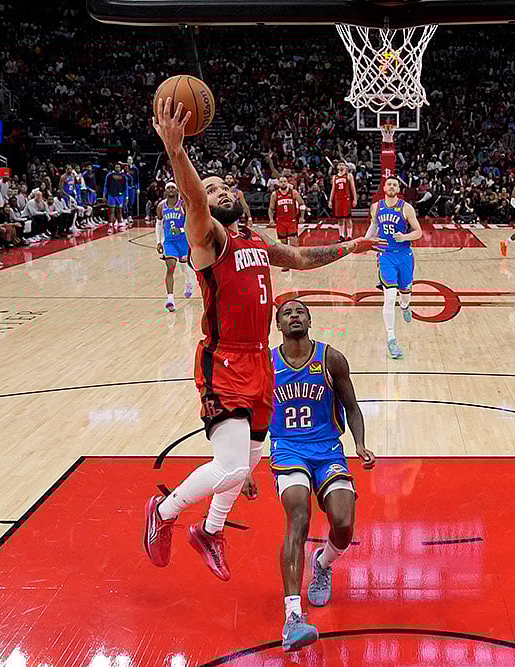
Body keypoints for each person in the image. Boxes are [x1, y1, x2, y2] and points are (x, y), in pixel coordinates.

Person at [142, 97, 383, 581]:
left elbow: (300, 259)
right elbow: (192, 199)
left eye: (226, 185)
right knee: (231, 469)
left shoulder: (253, 239)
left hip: (259, 364)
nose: (221, 190)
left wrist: (350, 246)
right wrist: (176, 151)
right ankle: (163, 512)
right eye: (211, 189)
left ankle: (210, 530)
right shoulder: (208, 238)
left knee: (250, 460)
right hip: (224, 363)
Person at [260, 299, 375, 652]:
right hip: (288, 450)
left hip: (327, 450)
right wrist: (247, 463)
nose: (294, 316)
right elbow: (253, 413)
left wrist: (360, 444)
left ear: (310, 320)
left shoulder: (331, 358)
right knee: (298, 516)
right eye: (286, 313)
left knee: (343, 522)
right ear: (278, 325)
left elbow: (352, 407)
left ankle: (322, 562)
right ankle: (293, 616)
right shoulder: (267, 362)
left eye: (299, 312)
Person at [364, 176, 422, 359]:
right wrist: (364, 243)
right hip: (385, 255)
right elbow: (373, 227)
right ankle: (391, 339)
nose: (391, 186)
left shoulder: (406, 208)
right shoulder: (376, 207)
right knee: (389, 297)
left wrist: (404, 237)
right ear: (384, 186)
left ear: (398, 189)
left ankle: (405, 306)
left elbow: (418, 232)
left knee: (405, 293)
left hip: (404, 256)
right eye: (389, 183)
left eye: (395, 184)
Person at [155, 181, 195, 309]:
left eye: (173, 188)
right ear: (165, 191)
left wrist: (181, 230)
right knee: (170, 267)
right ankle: (170, 299)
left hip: (183, 240)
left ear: (177, 190)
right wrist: (158, 241)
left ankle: (188, 281)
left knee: (184, 268)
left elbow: (191, 223)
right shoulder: (161, 206)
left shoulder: (183, 205)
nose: (171, 190)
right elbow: (159, 224)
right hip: (169, 242)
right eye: (168, 188)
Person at [269, 176, 306, 272]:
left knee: (294, 243)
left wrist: (302, 217)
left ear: (287, 183)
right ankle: (287, 263)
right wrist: (271, 219)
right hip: (280, 222)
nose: (283, 183)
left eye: (285, 181)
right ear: (278, 183)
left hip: (291, 221)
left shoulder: (293, 193)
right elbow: (271, 209)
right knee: (283, 245)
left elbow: (302, 204)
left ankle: (297, 261)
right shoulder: (274, 194)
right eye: (281, 182)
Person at [330, 162, 357, 242]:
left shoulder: (349, 175)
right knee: (339, 218)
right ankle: (341, 235)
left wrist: (355, 199)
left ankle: (349, 236)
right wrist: (330, 200)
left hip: (346, 199)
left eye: (342, 165)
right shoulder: (335, 177)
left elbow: (353, 188)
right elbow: (333, 189)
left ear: (346, 167)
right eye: (340, 164)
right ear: (337, 167)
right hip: (338, 199)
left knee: (348, 218)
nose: (341, 166)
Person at [102, 162, 128, 232]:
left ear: (120, 168)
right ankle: (110, 225)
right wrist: (104, 195)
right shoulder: (109, 175)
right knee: (111, 211)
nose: (117, 168)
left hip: (120, 196)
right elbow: (106, 186)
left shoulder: (123, 177)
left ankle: (120, 224)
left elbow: (125, 188)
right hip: (111, 195)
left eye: (119, 167)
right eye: (116, 167)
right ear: (114, 168)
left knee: (119, 211)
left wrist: (127, 197)